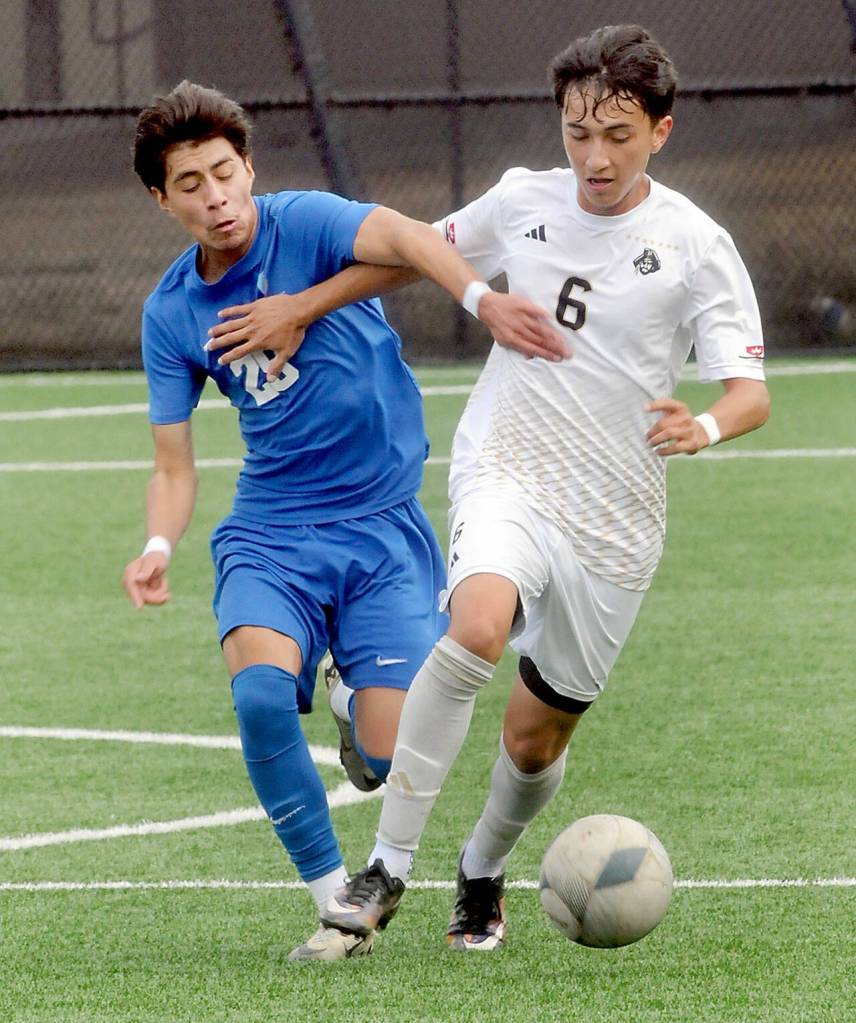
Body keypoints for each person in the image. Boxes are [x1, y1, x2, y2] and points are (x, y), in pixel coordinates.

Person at [208, 24, 771, 954]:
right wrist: (303, 305)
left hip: (616, 517)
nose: (594, 155)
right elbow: (415, 252)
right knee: (473, 624)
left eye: (618, 136)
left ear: (660, 133)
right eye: (577, 131)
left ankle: (482, 864)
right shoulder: (523, 202)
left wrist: (702, 425)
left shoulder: (694, 245)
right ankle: (387, 864)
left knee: (534, 741)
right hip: (508, 463)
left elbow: (749, 392)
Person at [120, 80, 567, 962]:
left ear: (248, 167)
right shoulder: (172, 313)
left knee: (393, 753)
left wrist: (473, 305)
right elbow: (174, 463)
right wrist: (157, 543)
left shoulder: (310, 223)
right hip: (274, 531)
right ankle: (335, 905)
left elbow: (410, 241)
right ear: (161, 199)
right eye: (190, 184)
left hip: (382, 530)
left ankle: (350, 699)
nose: (215, 198)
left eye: (223, 172)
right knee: (254, 695)